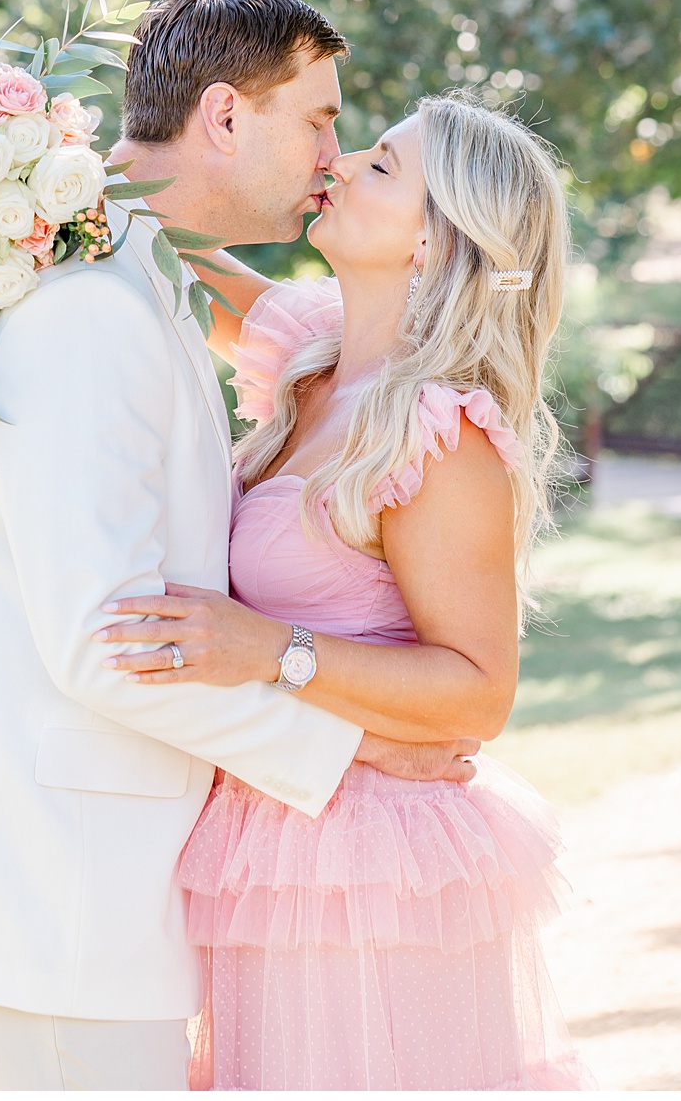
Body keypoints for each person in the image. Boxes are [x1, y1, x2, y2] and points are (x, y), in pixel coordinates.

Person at [0, 0, 480, 1092]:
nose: (332, 154)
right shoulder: (89, 308)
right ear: (226, 115)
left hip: (74, 900)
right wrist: (356, 745)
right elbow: (105, 641)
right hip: (45, 901)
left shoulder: (133, 274)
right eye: (321, 120)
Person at [97, 93, 593, 1090]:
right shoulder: (311, 353)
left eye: (380, 165)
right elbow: (155, 222)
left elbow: (480, 692)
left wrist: (268, 647)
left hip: (369, 860)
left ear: (433, 239)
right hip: (260, 830)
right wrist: (45, 155)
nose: (342, 157)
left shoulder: (438, 429)